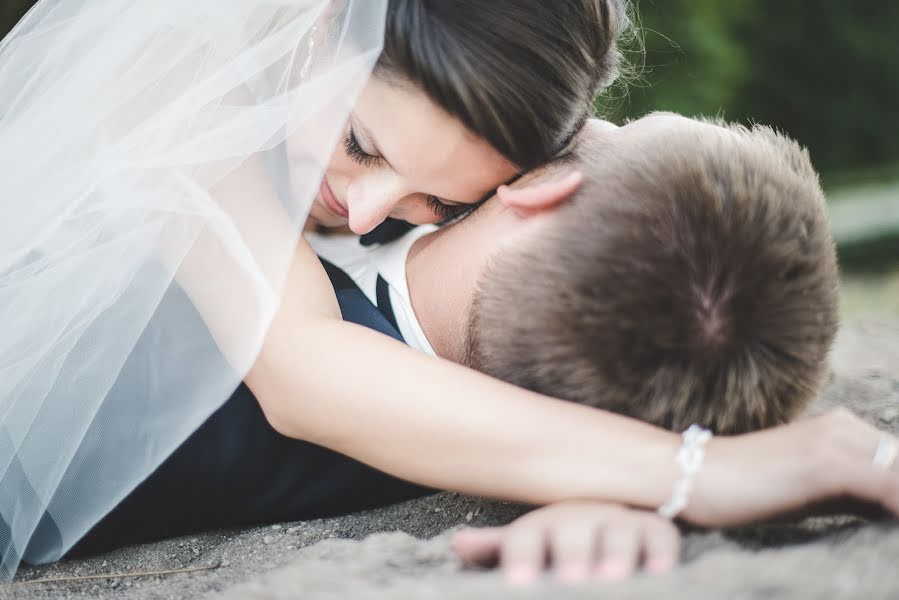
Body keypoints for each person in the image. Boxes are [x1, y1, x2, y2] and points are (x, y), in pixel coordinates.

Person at [0, 0, 627, 580]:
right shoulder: (173, 67)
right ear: (327, 20)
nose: (365, 214)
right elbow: (300, 371)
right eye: (362, 144)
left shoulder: (449, 123)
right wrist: (680, 474)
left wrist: (590, 490)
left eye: (438, 201)